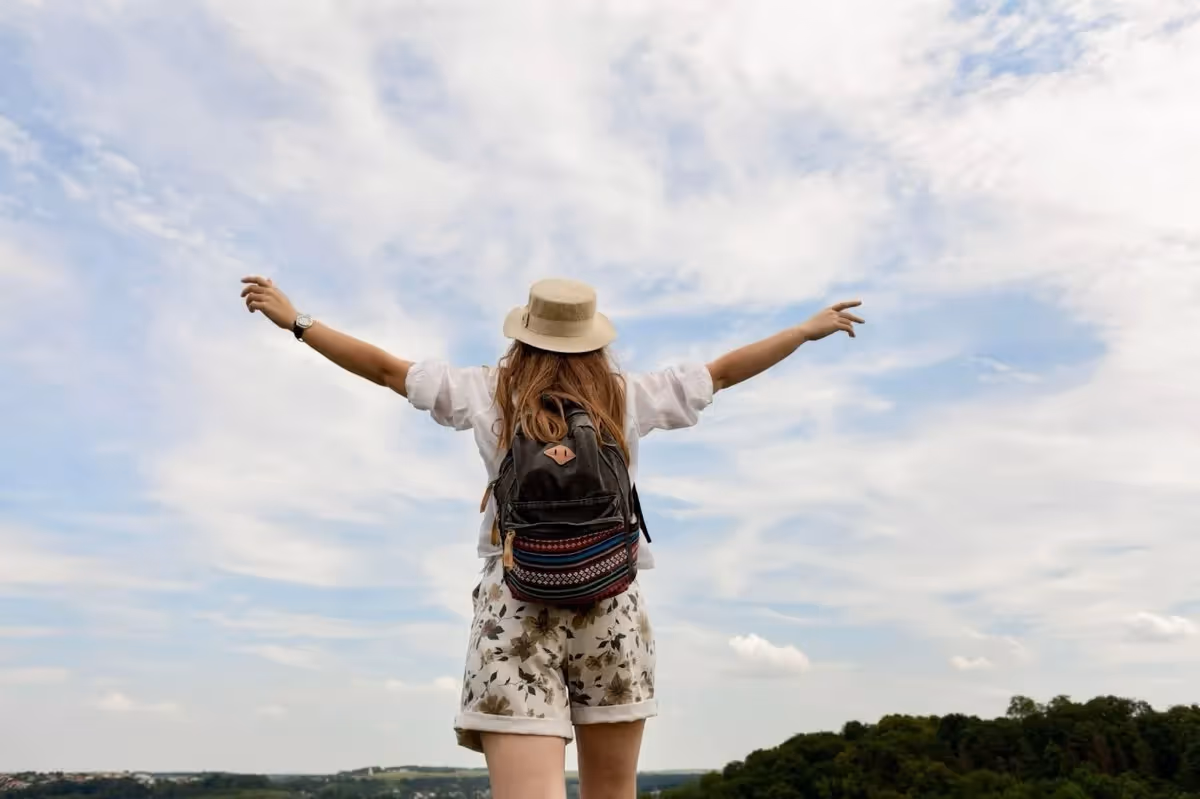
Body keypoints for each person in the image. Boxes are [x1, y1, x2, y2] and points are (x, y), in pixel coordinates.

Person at [239, 275, 864, 799]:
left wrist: (298, 322)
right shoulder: (625, 396)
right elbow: (723, 374)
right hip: (613, 602)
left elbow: (382, 369)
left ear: (524, 332)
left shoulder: (485, 391)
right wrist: (804, 332)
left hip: (516, 603)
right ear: (592, 337)